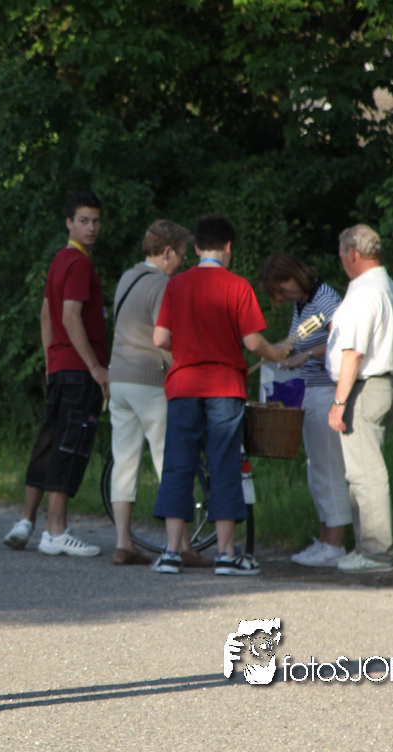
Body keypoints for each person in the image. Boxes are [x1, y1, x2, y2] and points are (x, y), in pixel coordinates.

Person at [150, 215, 291, 575]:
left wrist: (186, 351)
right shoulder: (238, 286)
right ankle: (226, 555)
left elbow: (160, 338)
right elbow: (252, 343)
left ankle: (171, 552)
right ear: (228, 247)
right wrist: (276, 353)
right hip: (224, 387)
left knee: (178, 463)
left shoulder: (176, 284)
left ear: (197, 248)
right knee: (224, 464)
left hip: (184, 386)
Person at [4, 191, 108, 558]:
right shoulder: (78, 263)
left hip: (61, 366)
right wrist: (95, 367)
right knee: (70, 443)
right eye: (83, 220)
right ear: (68, 223)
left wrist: (51, 363)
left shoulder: (59, 260)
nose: (91, 227)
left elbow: (46, 315)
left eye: (96, 221)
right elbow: (68, 316)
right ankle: (56, 530)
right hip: (79, 368)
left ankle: (26, 521)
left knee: (50, 441)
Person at [108, 219, 207, 567]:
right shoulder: (164, 285)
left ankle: (123, 543)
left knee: (124, 462)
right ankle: (181, 545)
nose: (181, 262)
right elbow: (164, 339)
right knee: (171, 461)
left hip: (118, 379)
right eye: (180, 255)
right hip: (150, 381)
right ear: (167, 252)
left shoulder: (127, 277)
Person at [258, 253, 353, 567]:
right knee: (317, 471)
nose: (281, 298)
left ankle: (335, 544)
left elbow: (343, 340)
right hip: (309, 391)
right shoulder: (304, 303)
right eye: (276, 294)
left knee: (328, 470)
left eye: (281, 289)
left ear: (294, 274)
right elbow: (296, 342)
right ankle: (325, 540)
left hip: (325, 392)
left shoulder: (324, 299)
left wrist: (307, 355)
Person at [326, 224, 393, 573]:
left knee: (365, 474)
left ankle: (375, 552)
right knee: (362, 470)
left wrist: (339, 402)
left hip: (365, 387)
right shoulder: (389, 288)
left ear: (352, 254)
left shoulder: (364, 293)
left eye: (342, 255)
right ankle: (364, 547)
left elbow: (354, 352)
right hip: (385, 385)